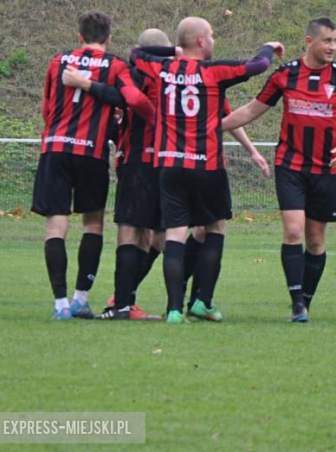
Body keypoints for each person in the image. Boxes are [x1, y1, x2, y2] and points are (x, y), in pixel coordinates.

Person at [63, 29, 271, 320]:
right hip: (171, 159)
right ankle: (163, 299)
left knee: (149, 234)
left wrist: (87, 85)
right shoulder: (187, 72)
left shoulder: (152, 69)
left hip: (155, 161)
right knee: (167, 235)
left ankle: (134, 301)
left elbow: (129, 98)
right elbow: (225, 106)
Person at [131, 16, 282, 324]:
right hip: (207, 164)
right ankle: (203, 302)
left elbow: (136, 54)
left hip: (170, 164)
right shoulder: (214, 72)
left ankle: (173, 310)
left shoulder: (162, 69)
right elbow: (257, 65)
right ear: (200, 41)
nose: (213, 40)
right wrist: (269, 46)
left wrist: (175, 51)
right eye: (210, 35)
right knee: (214, 228)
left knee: (174, 233)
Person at [223, 17, 336, 322]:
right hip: (290, 165)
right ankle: (297, 304)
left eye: (335, 41)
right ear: (309, 41)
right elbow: (252, 109)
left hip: (326, 170)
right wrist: (212, 128)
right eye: (327, 40)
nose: (332, 47)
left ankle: (306, 300)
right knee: (293, 231)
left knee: (315, 240)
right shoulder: (285, 74)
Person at [32, 11, 153, 321]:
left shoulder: (58, 61)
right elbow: (132, 99)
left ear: (79, 37)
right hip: (92, 151)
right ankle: (80, 299)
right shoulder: (116, 66)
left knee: (56, 226)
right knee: (92, 224)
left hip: (55, 148)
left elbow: (48, 108)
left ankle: (59, 304)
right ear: (109, 38)